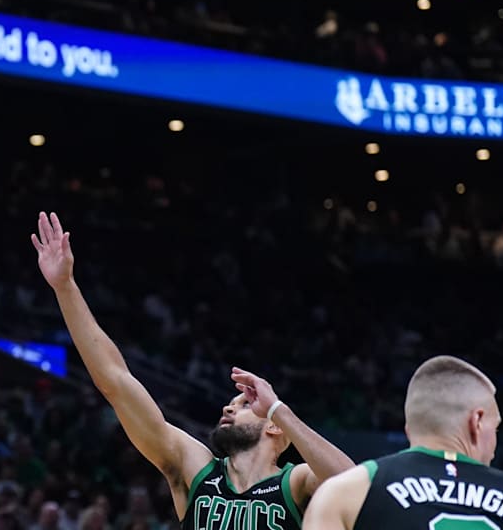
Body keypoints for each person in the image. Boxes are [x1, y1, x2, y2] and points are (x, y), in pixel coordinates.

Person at [30, 212, 355, 529]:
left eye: (245, 405)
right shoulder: (196, 469)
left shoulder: (294, 482)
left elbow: (353, 484)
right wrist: (65, 287)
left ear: (274, 428)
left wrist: (277, 409)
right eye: (234, 402)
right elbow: (116, 381)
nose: (228, 406)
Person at [303, 355, 503, 530]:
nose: (495, 443)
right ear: (477, 421)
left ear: (409, 427)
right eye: (496, 427)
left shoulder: (345, 493)